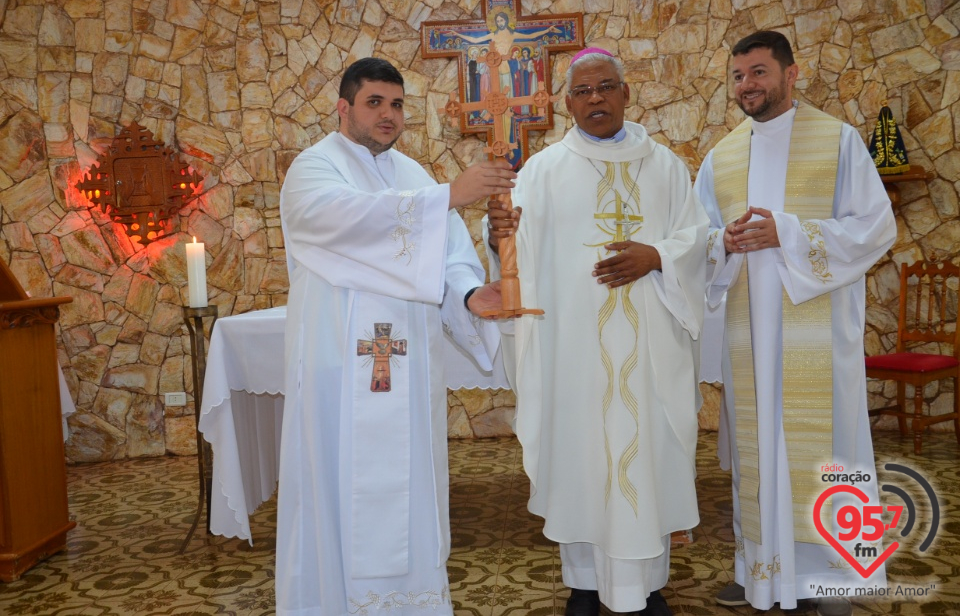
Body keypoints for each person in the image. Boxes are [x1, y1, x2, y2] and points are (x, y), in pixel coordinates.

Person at [276, 57, 517, 616]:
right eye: (375, 103)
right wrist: (448, 196)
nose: (389, 115)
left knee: (410, 491)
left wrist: (467, 294)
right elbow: (347, 219)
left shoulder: (411, 175)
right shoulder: (313, 170)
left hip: (405, 374)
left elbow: (452, 254)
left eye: (398, 104)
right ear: (344, 108)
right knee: (336, 491)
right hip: (338, 371)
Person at [485, 48, 707, 616]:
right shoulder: (543, 170)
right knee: (582, 457)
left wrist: (657, 255)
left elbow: (698, 240)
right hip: (575, 351)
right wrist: (498, 237)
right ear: (566, 104)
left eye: (606, 87)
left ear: (626, 95)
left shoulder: (664, 167)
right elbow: (518, 257)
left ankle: (647, 585)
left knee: (644, 458)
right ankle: (584, 582)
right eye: (583, 92)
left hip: (653, 349)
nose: (596, 99)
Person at [693, 31, 896, 616]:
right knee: (759, 452)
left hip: (816, 336)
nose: (746, 85)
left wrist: (787, 232)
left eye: (758, 72)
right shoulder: (723, 156)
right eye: (737, 76)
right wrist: (721, 243)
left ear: (791, 72)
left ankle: (832, 575)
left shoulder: (838, 141)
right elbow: (697, 239)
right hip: (751, 340)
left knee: (824, 448)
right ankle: (764, 572)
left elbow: (875, 228)